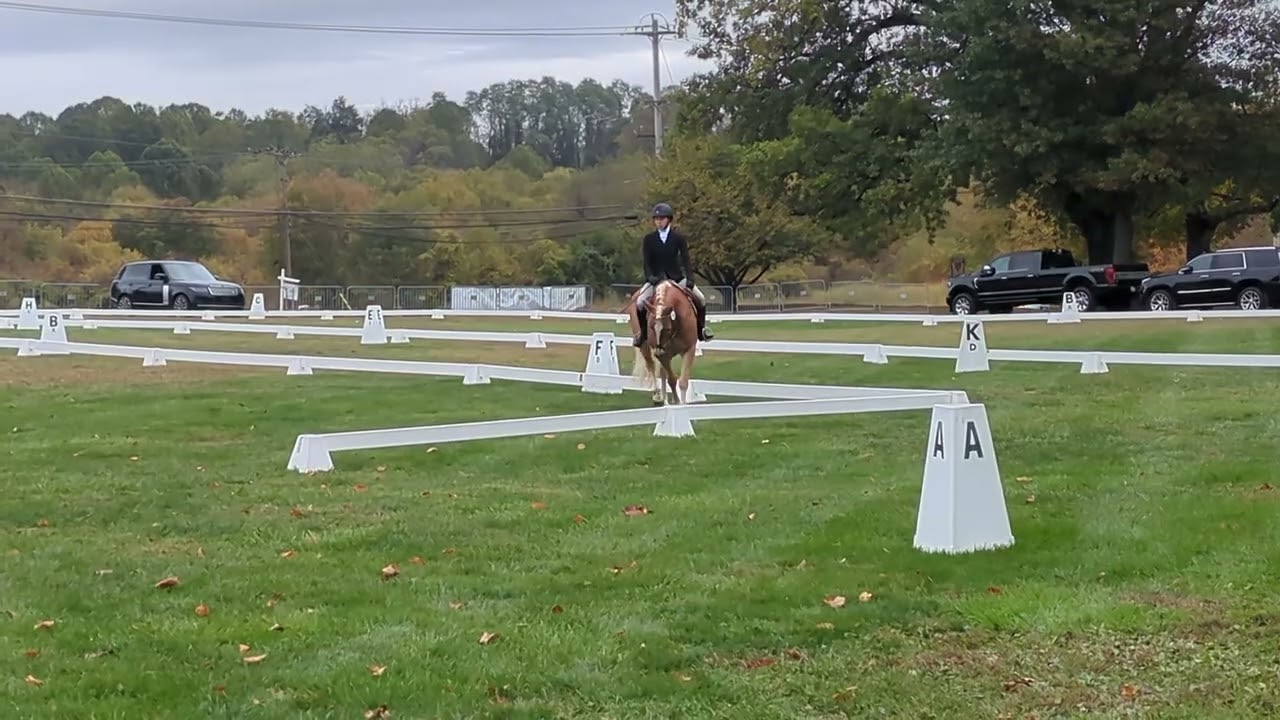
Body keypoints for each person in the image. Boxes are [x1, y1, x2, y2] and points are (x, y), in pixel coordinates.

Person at [633, 202, 714, 347]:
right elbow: (646, 262)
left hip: (676, 279)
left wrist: (690, 279)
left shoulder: (678, 238)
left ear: (669, 220)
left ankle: (701, 330)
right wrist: (650, 277)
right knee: (639, 302)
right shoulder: (649, 239)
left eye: (662, 219)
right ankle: (643, 334)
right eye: (656, 219)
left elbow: (686, 260)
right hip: (656, 280)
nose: (659, 222)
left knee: (701, 299)